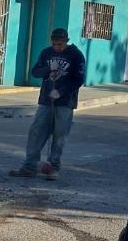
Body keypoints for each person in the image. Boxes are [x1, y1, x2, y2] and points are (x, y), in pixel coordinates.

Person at [11, 28, 86, 181]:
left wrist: (61, 92)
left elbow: (78, 79)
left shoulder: (76, 55)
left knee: (59, 135)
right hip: (46, 100)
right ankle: (30, 166)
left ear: (66, 41)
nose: (57, 47)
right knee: (36, 132)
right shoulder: (46, 53)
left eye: (60, 44)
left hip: (65, 102)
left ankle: (53, 167)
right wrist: (47, 69)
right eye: (54, 44)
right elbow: (35, 72)